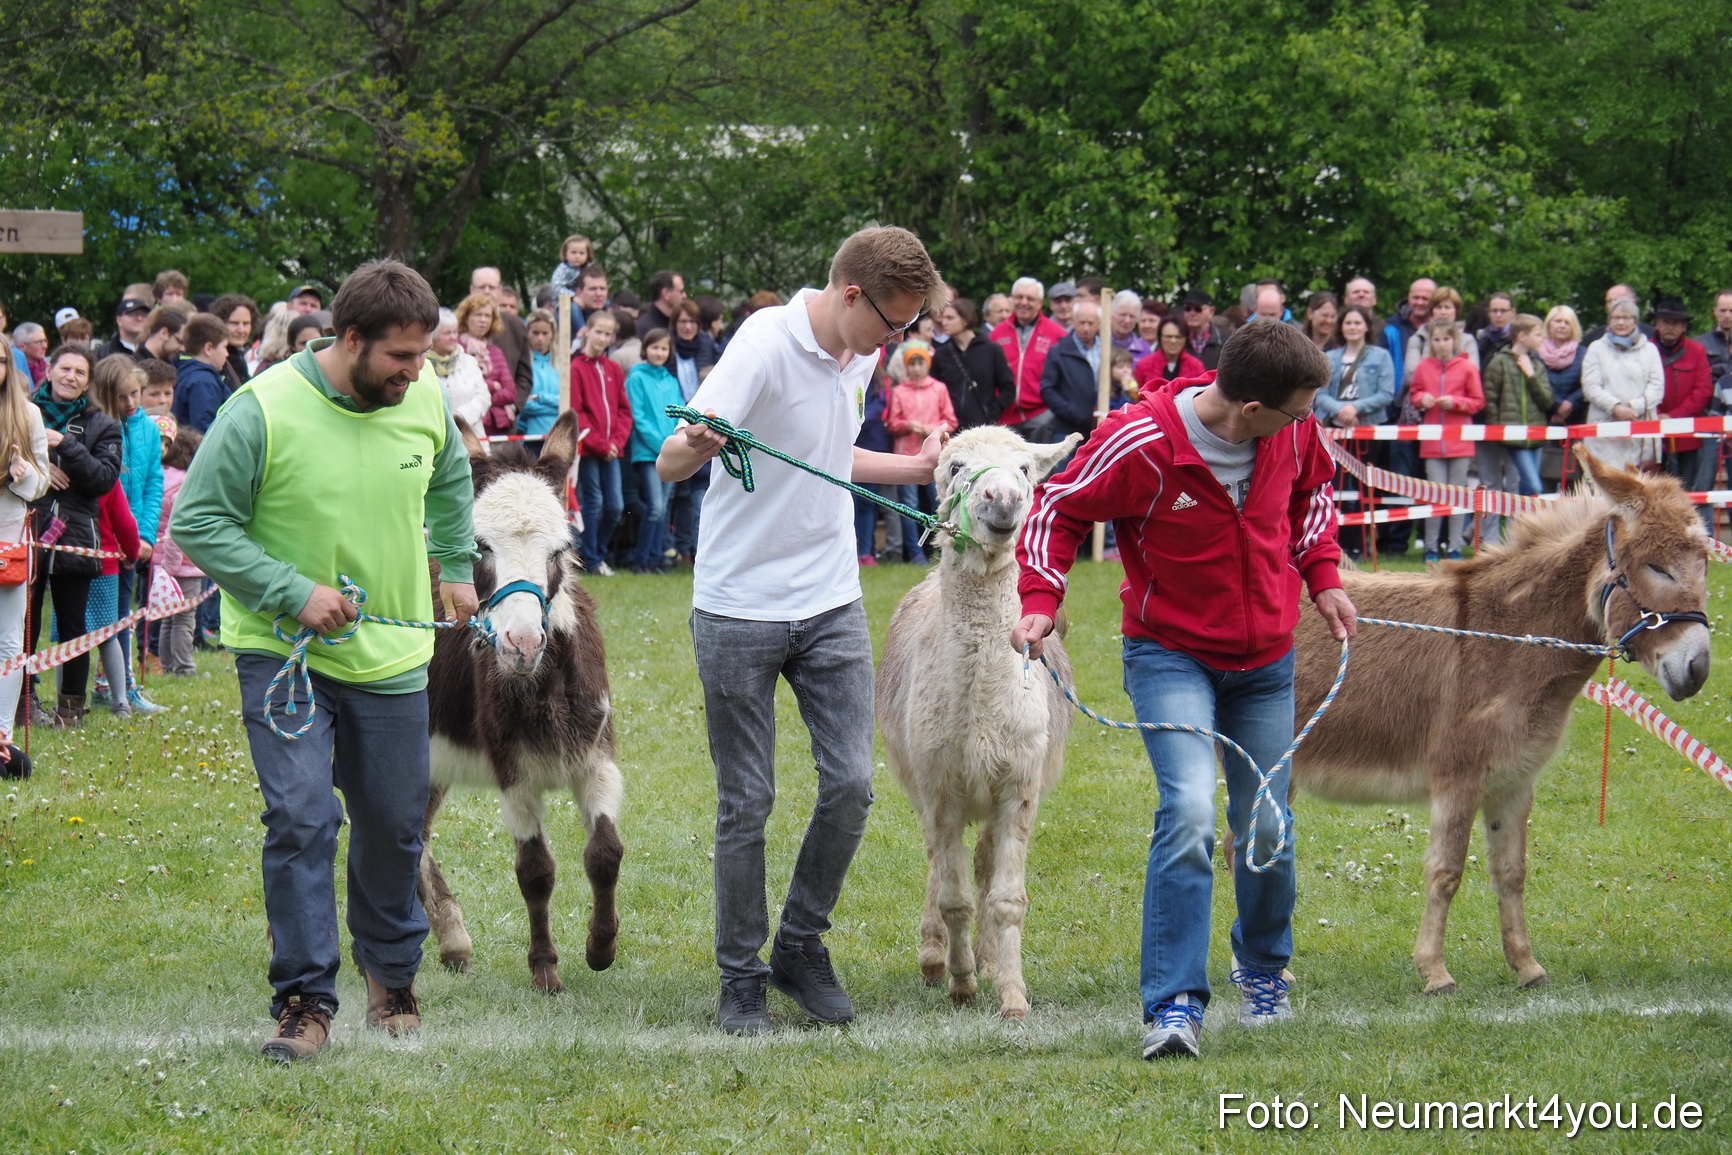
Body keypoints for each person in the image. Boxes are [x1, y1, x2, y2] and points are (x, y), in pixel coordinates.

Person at [1010, 320, 1354, 1061]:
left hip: (1265, 660)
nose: (1306, 424)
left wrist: (1322, 576)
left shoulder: (1294, 436)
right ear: (1251, 409)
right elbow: (1057, 506)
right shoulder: (1143, 442)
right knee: (1192, 810)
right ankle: (1172, 1003)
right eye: (1296, 411)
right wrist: (1040, 597)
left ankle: (1263, 970)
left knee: (1265, 823)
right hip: (1170, 656)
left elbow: (1314, 496)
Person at [171, 258, 479, 1062]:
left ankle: (392, 975)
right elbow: (199, 522)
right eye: (402, 358)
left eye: (424, 358)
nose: (418, 374)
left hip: (392, 657)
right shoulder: (261, 410)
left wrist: (451, 563)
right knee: (303, 817)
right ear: (349, 339)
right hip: (286, 653)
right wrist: (289, 590)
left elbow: (449, 477)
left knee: (393, 822)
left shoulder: (425, 402)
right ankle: (305, 997)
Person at [655, 225, 946, 1035]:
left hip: (830, 602)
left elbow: (834, 452)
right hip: (737, 605)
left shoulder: (863, 353)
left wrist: (917, 470)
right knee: (747, 799)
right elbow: (670, 462)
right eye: (893, 323)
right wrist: (694, 443)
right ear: (852, 295)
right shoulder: (762, 345)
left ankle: (799, 944)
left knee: (852, 783)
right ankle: (740, 975)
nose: (899, 339)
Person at [27, 344, 122, 728]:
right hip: (26, 530)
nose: (70, 377)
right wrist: (40, 468)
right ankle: (22, 700)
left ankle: (71, 707)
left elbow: (103, 478)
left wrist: (65, 444)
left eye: (79, 373)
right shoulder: (21, 412)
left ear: (88, 382)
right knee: (23, 621)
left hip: (77, 533)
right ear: (49, 371)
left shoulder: (103, 425)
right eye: (64, 369)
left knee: (72, 624)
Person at [96, 354, 166, 716]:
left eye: (136, 394)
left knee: (123, 613)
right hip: (102, 539)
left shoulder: (148, 429)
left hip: (134, 538)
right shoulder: (97, 426)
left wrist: (145, 537)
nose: (131, 403)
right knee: (95, 617)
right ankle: (102, 683)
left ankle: (121, 684)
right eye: (122, 396)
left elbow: (155, 484)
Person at [0, 337, 49, 768]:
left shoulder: (27, 414)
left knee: (9, 641)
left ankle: (1, 737)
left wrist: (21, 473)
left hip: (10, 538)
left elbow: (43, 483)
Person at [1318, 305, 1396, 557]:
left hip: (1368, 429)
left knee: (1365, 487)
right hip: (1334, 429)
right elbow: (1319, 393)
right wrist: (1340, 410)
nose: (1352, 327)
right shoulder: (1329, 357)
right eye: (1348, 322)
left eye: (1357, 322)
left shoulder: (1380, 356)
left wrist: (1355, 408)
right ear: (1342, 326)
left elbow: (1386, 393)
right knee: (1335, 487)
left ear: (1366, 326)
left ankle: (1363, 545)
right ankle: (1338, 542)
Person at [1410, 319, 1485, 561]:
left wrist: (1456, 403)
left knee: (1457, 495)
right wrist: (1423, 399)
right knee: (1434, 495)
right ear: (1430, 342)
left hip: (1460, 442)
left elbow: (1477, 401)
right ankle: (1431, 547)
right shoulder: (1423, 367)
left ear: (1455, 340)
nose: (1441, 344)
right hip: (1432, 442)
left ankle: (1453, 547)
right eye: (1436, 339)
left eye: (1446, 339)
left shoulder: (1467, 367)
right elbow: (1414, 394)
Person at [1476, 315, 1554, 542]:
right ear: (1522, 336)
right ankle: (1522, 535)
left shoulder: (1537, 364)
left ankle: (1518, 538)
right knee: (1534, 486)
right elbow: (1490, 397)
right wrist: (1497, 429)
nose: (1542, 339)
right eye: (1538, 334)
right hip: (1512, 438)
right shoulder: (1499, 362)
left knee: (1523, 489)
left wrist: (1530, 375)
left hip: (1536, 436)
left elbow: (1547, 400)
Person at [571, 311, 631, 576]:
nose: (602, 338)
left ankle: (597, 552)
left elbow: (623, 410)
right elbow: (578, 411)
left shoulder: (613, 369)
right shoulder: (576, 368)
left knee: (616, 505)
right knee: (593, 502)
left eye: (608, 334)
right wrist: (600, 444)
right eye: (598, 332)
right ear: (587, 331)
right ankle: (592, 559)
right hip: (589, 449)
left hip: (612, 450)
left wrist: (616, 442)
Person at [886, 342, 957, 563]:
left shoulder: (939, 388)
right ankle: (915, 551)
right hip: (906, 455)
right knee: (909, 505)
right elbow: (891, 423)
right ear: (906, 367)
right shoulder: (898, 391)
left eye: (920, 363)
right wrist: (908, 425)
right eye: (912, 364)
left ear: (927, 365)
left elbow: (951, 420)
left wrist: (932, 428)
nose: (916, 368)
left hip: (937, 456)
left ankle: (941, 548)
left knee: (939, 503)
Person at [1649, 298, 1714, 530]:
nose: (1670, 326)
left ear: (1684, 326)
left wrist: (1673, 417)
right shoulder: (1645, 349)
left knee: (1687, 490)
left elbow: (1703, 390)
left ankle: (1686, 536)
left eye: (1676, 323)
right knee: (1650, 491)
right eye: (1665, 321)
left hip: (1686, 437)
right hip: (1649, 435)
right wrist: (1655, 416)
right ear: (1656, 323)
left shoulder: (1697, 351)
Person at [1581, 297, 1664, 472]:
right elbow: (1590, 386)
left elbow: (1657, 387)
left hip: (1640, 426)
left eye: (1626, 318)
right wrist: (1615, 407)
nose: (1620, 322)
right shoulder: (1596, 348)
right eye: (1616, 317)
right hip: (1605, 426)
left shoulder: (1650, 350)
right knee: (1606, 483)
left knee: (1637, 488)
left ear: (1635, 321)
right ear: (1609, 320)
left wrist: (1634, 408)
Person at [623, 329, 681, 573]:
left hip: (670, 452)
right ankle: (642, 560)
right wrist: (662, 447)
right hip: (648, 453)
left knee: (664, 507)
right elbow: (639, 416)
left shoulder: (671, 380)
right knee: (655, 506)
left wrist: (676, 445)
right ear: (645, 349)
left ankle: (656, 560)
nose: (659, 353)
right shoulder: (636, 378)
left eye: (664, 348)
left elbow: (680, 413)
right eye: (655, 347)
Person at [153, 424, 205, 676]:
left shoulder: (162, 477)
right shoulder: (184, 485)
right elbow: (175, 530)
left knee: (168, 616)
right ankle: (184, 666)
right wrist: (172, 567)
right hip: (182, 564)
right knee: (184, 618)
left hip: (159, 560)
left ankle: (166, 664)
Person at [991, 276, 1068, 437]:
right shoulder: (997, 333)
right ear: (1012, 300)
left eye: (1030, 298)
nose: (1024, 302)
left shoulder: (1057, 333)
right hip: (1004, 416)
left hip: (1041, 416)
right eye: (1019, 297)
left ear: (1040, 303)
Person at [929, 297, 1015, 430]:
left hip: (983, 428)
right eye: (943, 317)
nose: (943, 322)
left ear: (965, 320)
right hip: (951, 429)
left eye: (950, 318)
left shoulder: (991, 350)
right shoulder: (941, 356)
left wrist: (993, 410)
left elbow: (1008, 388)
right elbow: (933, 391)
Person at [1038, 300, 1105, 444]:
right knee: (1066, 467)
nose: (1086, 328)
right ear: (1073, 321)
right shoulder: (1059, 351)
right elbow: (1047, 389)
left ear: (1099, 324)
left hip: (1101, 429)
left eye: (1091, 323)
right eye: (1081, 323)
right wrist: (1071, 412)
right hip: (1067, 430)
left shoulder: (1107, 351)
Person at [469, 267, 533, 413]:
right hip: (465, 415)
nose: (487, 291)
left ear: (500, 290)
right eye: (481, 287)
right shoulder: (458, 326)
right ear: (472, 289)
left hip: (503, 418)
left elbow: (524, 375)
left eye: (491, 287)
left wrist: (515, 406)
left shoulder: (515, 325)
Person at [453, 292, 517, 435]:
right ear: (466, 317)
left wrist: (484, 399)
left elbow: (511, 392)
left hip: (495, 428)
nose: (483, 320)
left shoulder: (496, 352)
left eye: (487, 316)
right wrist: (492, 385)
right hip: (462, 426)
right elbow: (456, 387)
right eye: (477, 315)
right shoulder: (455, 348)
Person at [427, 309, 489, 431]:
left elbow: (484, 397)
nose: (453, 337)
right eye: (447, 333)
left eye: (455, 332)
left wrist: (460, 415)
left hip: (471, 435)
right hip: (437, 434)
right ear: (433, 336)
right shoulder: (423, 365)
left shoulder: (469, 362)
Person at [172, 314, 232, 433]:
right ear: (208, 348)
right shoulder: (203, 382)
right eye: (224, 347)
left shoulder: (186, 373)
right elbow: (204, 428)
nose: (227, 354)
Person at [517, 309, 562, 443]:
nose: (540, 338)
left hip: (558, 435)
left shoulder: (563, 365)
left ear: (552, 334)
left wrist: (540, 398)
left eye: (545, 333)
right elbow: (523, 404)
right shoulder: (521, 365)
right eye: (535, 333)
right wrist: (554, 406)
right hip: (529, 435)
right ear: (527, 333)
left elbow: (568, 402)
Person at [1135, 316, 1206, 391]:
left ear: (1185, 339)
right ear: (1160, 338)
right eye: (1168, 337)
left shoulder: (1196, 366)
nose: (1173, 341)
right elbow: (1137, 397)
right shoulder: (1144, 365)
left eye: (1178, 337)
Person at [212, 294, 260, 394]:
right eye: (234, 323)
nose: (241, 330)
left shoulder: (239, 357)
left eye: (246, 323)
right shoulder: (213, 359)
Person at [96, 290, 154, 360]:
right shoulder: (102, 353)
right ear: (119, 320)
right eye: (132, 314)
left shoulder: (153, 350)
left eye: (143, 314)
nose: (139, 318)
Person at [1178, 290, 1227, 370]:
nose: (1192, 313)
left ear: (1211, 311)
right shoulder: (1175, 338)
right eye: (1188, 308)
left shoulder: (1225, 340)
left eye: (1198, 309)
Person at [636, 269, 687, 342]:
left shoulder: (679, 324)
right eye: (681, 291)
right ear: (666, 294)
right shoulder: (645, 329)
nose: (685, 296)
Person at [1109, 289, 1151, 359]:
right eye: (1123, 315)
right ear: (1112, 314)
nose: (1127, 320)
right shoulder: (1098, 344)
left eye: (1132, 316)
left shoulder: (1144, 349)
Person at [1477, 292, 1515, 365]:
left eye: (1503, 311)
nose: (1498, 315)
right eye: (1494, 311)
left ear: (1512, 312)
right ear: (1489, 313)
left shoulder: (1517, 339)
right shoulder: (1482, 338)